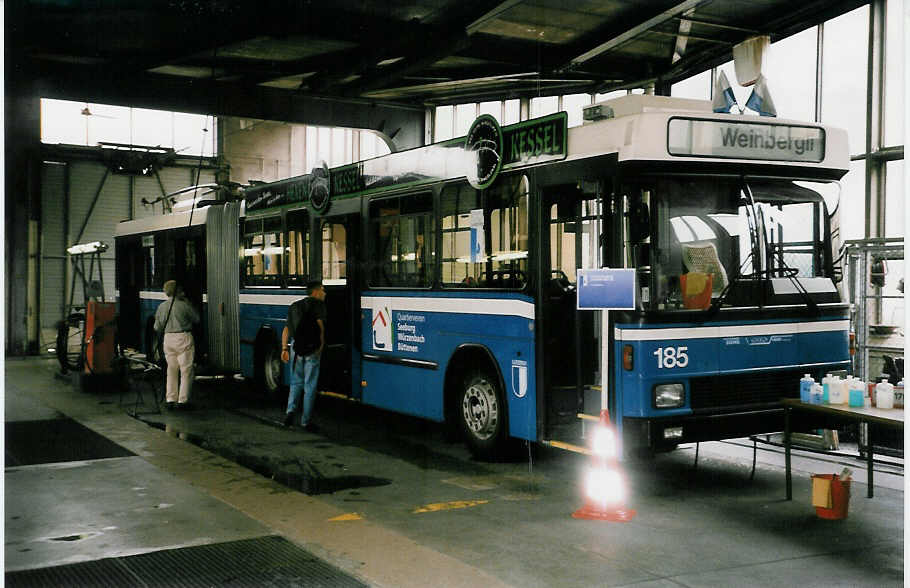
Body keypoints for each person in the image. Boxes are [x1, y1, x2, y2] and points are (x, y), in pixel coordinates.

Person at [281, 280, 327, 430]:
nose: (324, 293)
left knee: (295, 383)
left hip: (296, 348)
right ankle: (305, 421)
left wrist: (284, 349)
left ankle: (290, 412)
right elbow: (320, 327)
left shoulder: (294, 306)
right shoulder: (319, 305)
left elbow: (286, 329)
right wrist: (321, 345)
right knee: (310, 386)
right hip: (312, 349)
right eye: (322, 290)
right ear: (315, 292)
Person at [154, 280, 201, 409]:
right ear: (177, 291)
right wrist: (187, 302)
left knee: (171, 369)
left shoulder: (161, 307)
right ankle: (183, 400)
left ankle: (170, 399)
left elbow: (157, 326)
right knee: (186, 370)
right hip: (183, 337)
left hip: (168, 339)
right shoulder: (183, 305)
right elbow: (196, 319)